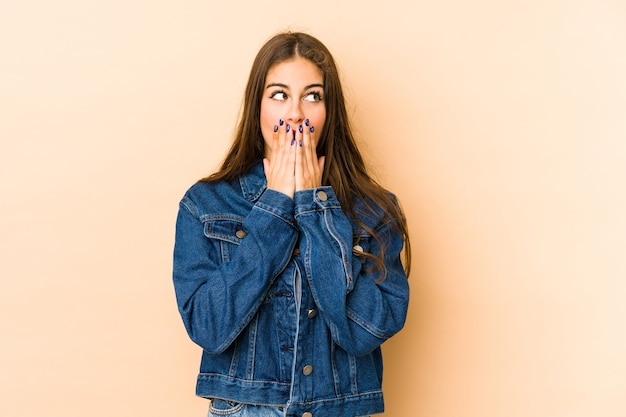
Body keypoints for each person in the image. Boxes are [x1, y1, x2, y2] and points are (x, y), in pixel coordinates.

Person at [173, 31, 411, 417]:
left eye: (313, 96)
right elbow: (209, 327)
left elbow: (369, 329)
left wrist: (316, 210)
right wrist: (275, 206)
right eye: (279, 95)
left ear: (329, 111)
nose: (296, 113)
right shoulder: (206, 204)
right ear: (258, 107)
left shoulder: (374, 210)